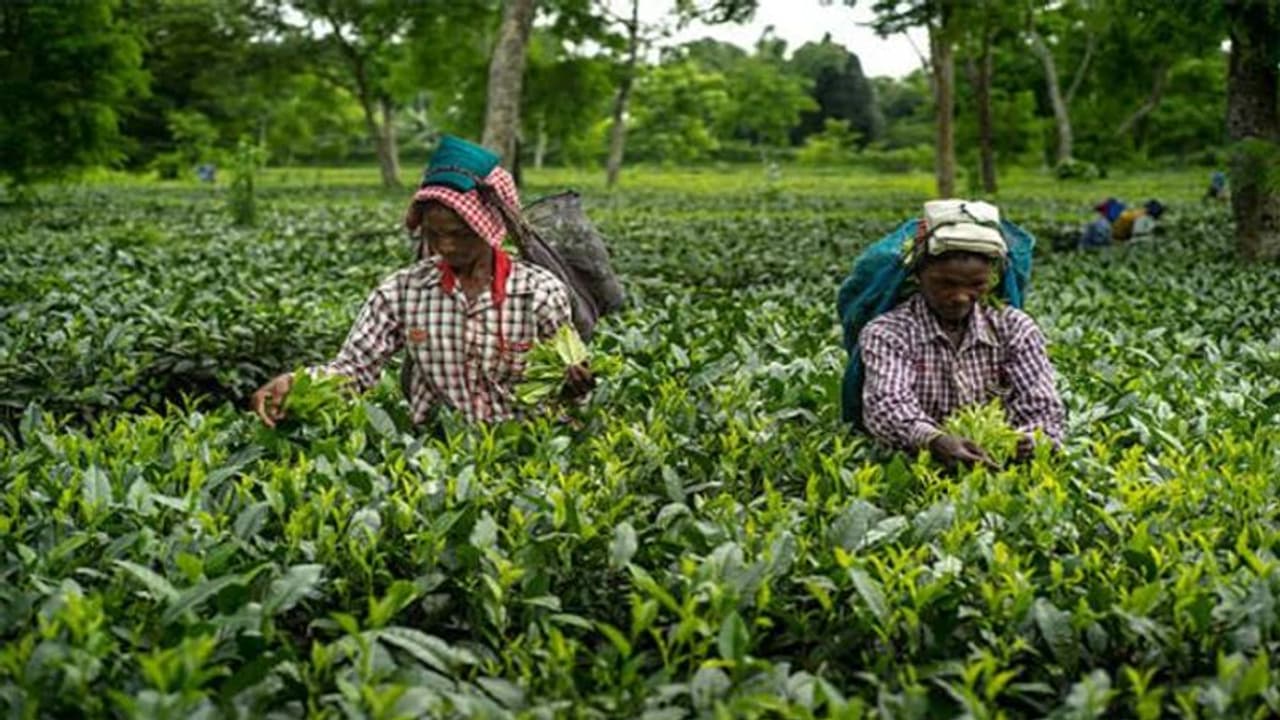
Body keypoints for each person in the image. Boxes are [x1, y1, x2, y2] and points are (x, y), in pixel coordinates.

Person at [252, 136, 594, 428]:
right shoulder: (402, 292)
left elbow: (564, 389)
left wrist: (572, 386)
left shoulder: (539, 294)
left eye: (460, 235)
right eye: (434, 234)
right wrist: (296, 384)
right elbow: (353, 369)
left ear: (489, 229)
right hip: (433, 456)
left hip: (520, 454)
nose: (446, 246)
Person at [858, 200, 1065, 468]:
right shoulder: (888, 332)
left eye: (976, 285)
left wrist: (1029, 440)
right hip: (917, 467)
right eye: (945, 283)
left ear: (991, 281)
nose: (959, 297)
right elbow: (886, 406)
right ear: (919, 275)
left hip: (1000, 469)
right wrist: (934, 441)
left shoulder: (1014, 329)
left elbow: (1044, 407)